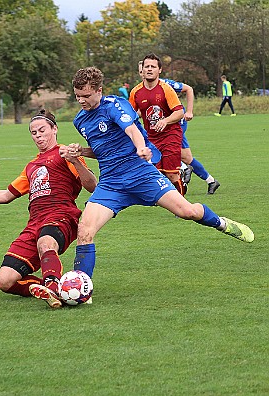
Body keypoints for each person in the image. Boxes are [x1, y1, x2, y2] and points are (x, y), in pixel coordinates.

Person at [66, 66, 254, 283]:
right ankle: (81, 286)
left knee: (187, 212)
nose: (81, 100)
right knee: (85, 231)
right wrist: (81, 152)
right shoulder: (80, 120)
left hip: (141, 174)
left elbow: (132, 130)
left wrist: (140, 148)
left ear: (99, 91)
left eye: (86, 96)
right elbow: (103, 151)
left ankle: (222, 223)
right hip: (111, 184)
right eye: (78, 96)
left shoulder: (115, 105)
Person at [0, 110, 97, 309]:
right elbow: (6, 195)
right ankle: (43, 287)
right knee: (5, 280)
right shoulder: (31, 166)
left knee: (46, 242)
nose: (38, 135)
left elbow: (92, 185)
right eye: (34, 133)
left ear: (54, 129)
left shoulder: (65, 154)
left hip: (61, 215)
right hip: (34, 223)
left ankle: (54, 289)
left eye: (42, 130)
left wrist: (75, 160)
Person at [137, 62, 220, 195]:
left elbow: (188, 89)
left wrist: (189, 111)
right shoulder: (141, 90)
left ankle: (182, 170)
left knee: (166, 152)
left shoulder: (166, 85)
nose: (145, 73)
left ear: (158, 70)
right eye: (142, 71)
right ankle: (210, 180)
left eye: (150, 68)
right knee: (186, 157)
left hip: (175, 125)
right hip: (160, 129)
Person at [130, 54, 186, 196]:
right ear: (142, 70)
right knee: (157, 175)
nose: (149, 69)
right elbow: (129, 115)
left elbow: (179, 112)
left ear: (159, 70)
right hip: (151, 138)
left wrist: (165, 121)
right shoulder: (136, 92)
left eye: (153, 67)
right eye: (146, 66)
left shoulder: (166, 89)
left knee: (172, 175)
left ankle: (181, 201)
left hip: (170, 135)